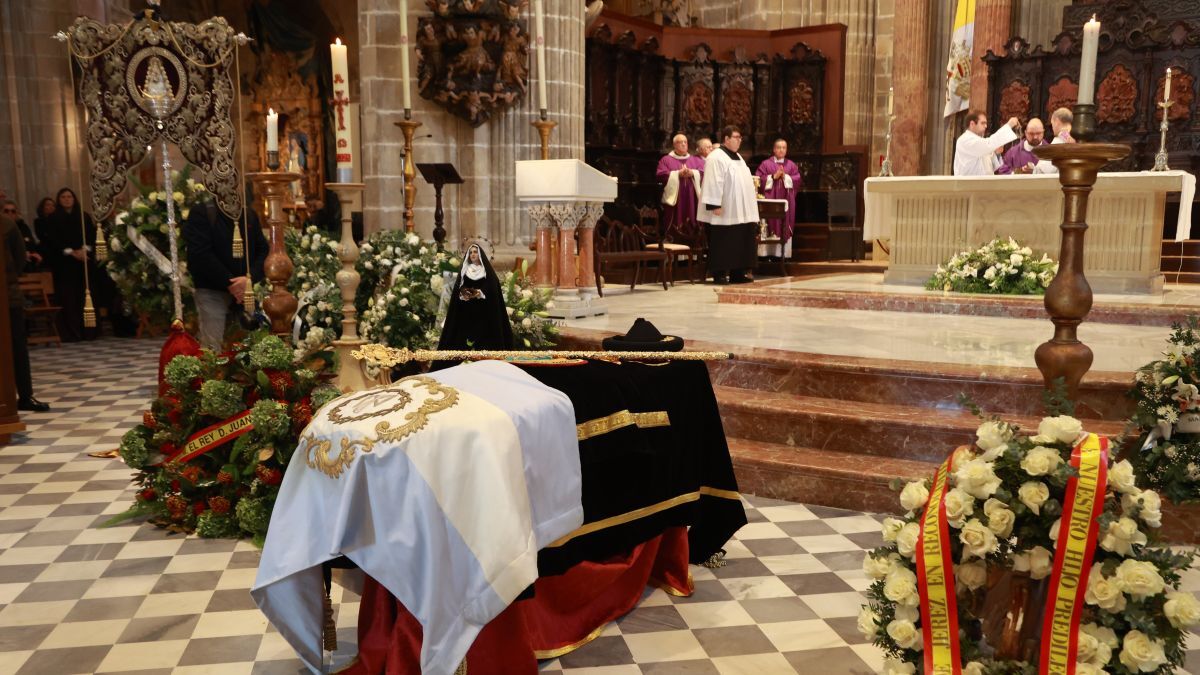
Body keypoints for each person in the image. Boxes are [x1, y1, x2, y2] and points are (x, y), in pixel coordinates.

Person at [182, 202, 267, 350]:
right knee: (213, 350)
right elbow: (200, 255)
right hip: (212, 292)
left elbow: (263, 251)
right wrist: (232, 283)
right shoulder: (202, 212)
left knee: (248, 349)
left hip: (244, 294)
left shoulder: (248, 214)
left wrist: (249, 279)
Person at [698, 125, 759, 284]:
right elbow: (713, 181)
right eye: (736, 137)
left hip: (741, 210)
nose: (740, 140)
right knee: (724, 241)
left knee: (740, 240)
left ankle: (737, 272)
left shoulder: (738, 156)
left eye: (740, 137)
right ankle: (719, 274)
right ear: (726, 139)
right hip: (725, 209)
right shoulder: (716, 157)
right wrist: (714, 204)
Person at [2, 207, 48, 411]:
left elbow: (19, 258)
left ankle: (25, 396)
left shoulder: (7, 224)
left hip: (7, 297)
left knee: (18, 348)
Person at [39, 188, 97, 342]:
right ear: (59, 200)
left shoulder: (83, 216)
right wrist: (71, 252)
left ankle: (89, 332)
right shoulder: (53, 218)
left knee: (84, 296)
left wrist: (84, 250)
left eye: (69, 196)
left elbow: (91, 236)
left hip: (83, 263)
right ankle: (71, 332)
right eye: (63, 197)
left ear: (74, 198)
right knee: (68, 298)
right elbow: (52, 241)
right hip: (64, 264)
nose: (66, 199)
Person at [437, 244, 512, 351]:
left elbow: (492, 290)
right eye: (471, 252)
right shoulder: (465, 270)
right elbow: (459, 289)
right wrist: (463, 293)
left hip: (484, 314)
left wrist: (480, 293)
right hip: (467, 313)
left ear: (480, 254)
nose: (473, 254)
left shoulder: (487, 272)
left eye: (475, 252)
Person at [755, 139, 803, 249]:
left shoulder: (791, 165)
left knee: (784, 223)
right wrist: (773, 177)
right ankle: (767, 254)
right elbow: (758, 179)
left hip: (786, 200)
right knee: (768, 223)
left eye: (784, 148)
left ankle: (783, 254)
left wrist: (785, 176)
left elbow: (797, 179)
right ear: (774, 149)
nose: (781, 150)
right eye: (779, 147)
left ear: (786, 150)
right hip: (770, 201)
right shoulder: (766, 164)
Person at [656, 134, 706, 238]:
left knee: (693, 223)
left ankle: (693, 249)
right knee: (675, 222)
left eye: (685, 142)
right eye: (680, 142)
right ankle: (674, 249)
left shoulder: (696, 160)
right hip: (676, 200)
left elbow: (704, 173)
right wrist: (677, 174)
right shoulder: (666, 160)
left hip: (693, 199)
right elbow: (660, 174)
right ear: (674, 145)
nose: (683, 144)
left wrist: (693, 173)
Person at [953, 110, 1020, 176]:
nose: (986, 126)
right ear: (972, 124)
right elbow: (989, 143)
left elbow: (989, 167)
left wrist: (996, 154)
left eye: (986, 123)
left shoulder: (981, 142)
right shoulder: (965, 140)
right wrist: (1009, 125)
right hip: (969, 185)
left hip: (985, 184)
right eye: (982, 123)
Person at [1, 199, 41, 272]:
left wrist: (30, 253)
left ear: (16, 214)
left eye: (13, 211)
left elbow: (31, 244)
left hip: (24, 261)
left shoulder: (23, 227)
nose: (10, 213)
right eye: (6, 211)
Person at [1033, 108, 1075, 175]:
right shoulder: (1077, 139)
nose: (1052, 128)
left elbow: (1042, 172)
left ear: (1057, 121)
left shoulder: (1058, 143)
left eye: (1052, 124)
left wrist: (1034, 169)